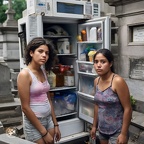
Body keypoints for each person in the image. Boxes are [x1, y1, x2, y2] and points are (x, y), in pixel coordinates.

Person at [17, 37, 61, 144]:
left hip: (48, 119)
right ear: (31, 53)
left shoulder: (43, 71)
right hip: (34, 123)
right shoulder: (25, 74)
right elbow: (25, 108)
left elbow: (48, 99)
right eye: (40, 51)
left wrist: (55, 124)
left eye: (47, 53)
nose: (44, 55)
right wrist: (44, 133)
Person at [90, 49, 132, 144]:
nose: (98, 65)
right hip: (102, 129)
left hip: (117, 130)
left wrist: (124, 134)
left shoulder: (117, 81)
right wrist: (94, 126)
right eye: (96, 62)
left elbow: (128, 108)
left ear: (110, 64)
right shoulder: (96, 81)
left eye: (103, 62)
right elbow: (97, 105)